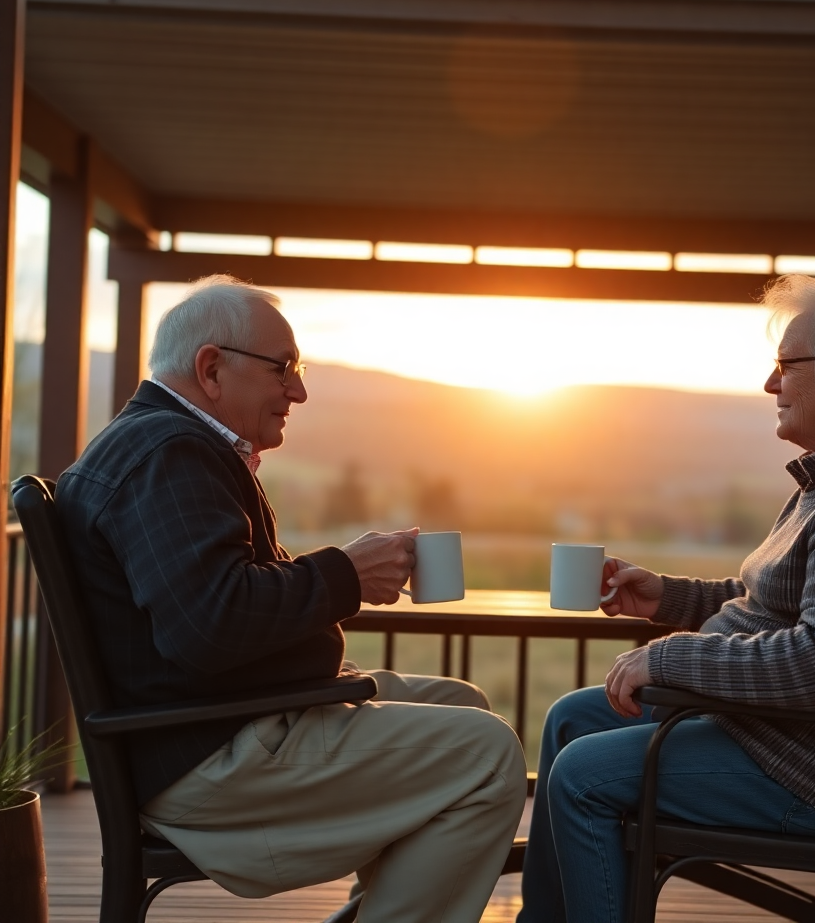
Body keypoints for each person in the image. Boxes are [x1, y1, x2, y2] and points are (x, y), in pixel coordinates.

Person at [56, 275, 527, 923]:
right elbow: (209, 626)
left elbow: (205, 607)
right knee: (485, 753)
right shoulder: (169, 456)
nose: (299, 390)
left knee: (462, 703)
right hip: (210, 757)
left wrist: (345, 575)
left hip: (213, 722)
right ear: (212, 368)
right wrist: (344, 576)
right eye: (284, 368)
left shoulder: (164, 447)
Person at [517, 274, 815, 923]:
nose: (770, 385)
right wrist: (668, 600)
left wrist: (671, 659)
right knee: (572, 718)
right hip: (780, 733)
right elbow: (776, 603)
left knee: (583, 776)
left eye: (789, 366)